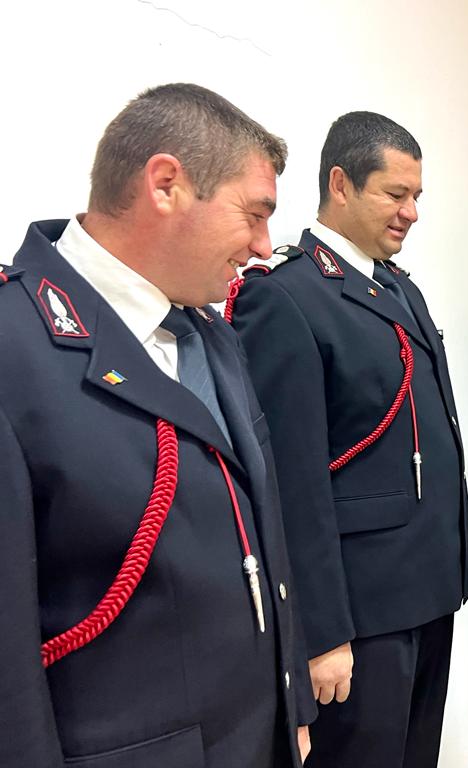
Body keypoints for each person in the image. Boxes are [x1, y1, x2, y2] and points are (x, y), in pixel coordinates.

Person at [0, 83, 314, 768]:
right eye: (255, 214)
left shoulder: (207, 329)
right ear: (166, 185)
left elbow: (262, 531)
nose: (264, 246)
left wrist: (292, 704)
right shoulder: (13, 344)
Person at [230, 111, 468, 768]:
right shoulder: (285, 296)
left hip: (427, 587)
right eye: (396, 194)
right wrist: (320, 632)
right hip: (360, 614)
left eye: (416, 195)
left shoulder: (397, 285)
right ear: (341, 184)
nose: (412, 212)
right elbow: (292, 480)